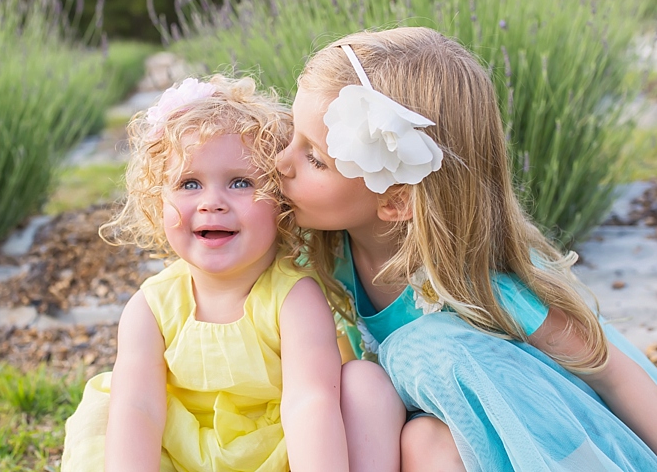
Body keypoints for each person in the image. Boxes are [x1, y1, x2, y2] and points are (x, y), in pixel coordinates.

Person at [277, 27, 657, 472]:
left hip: (545, 439)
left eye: (314, 159)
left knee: (424, 369)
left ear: (396, 199)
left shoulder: (483, 281)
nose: (282, 162)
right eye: (292, 138)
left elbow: (607, 368)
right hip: (432, 431)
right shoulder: (328, 246)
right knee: (415, 433)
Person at [61, 75, 402, 472]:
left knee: (365, 384)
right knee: (108, 410)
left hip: (275, 454)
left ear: (280, 202)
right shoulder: (151, 307)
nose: (212, 203)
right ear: (158, 204)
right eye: (189, 183)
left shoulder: (293, 297)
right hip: (180, 456)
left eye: (240, 182)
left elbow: (310, 402)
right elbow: (140, 409)